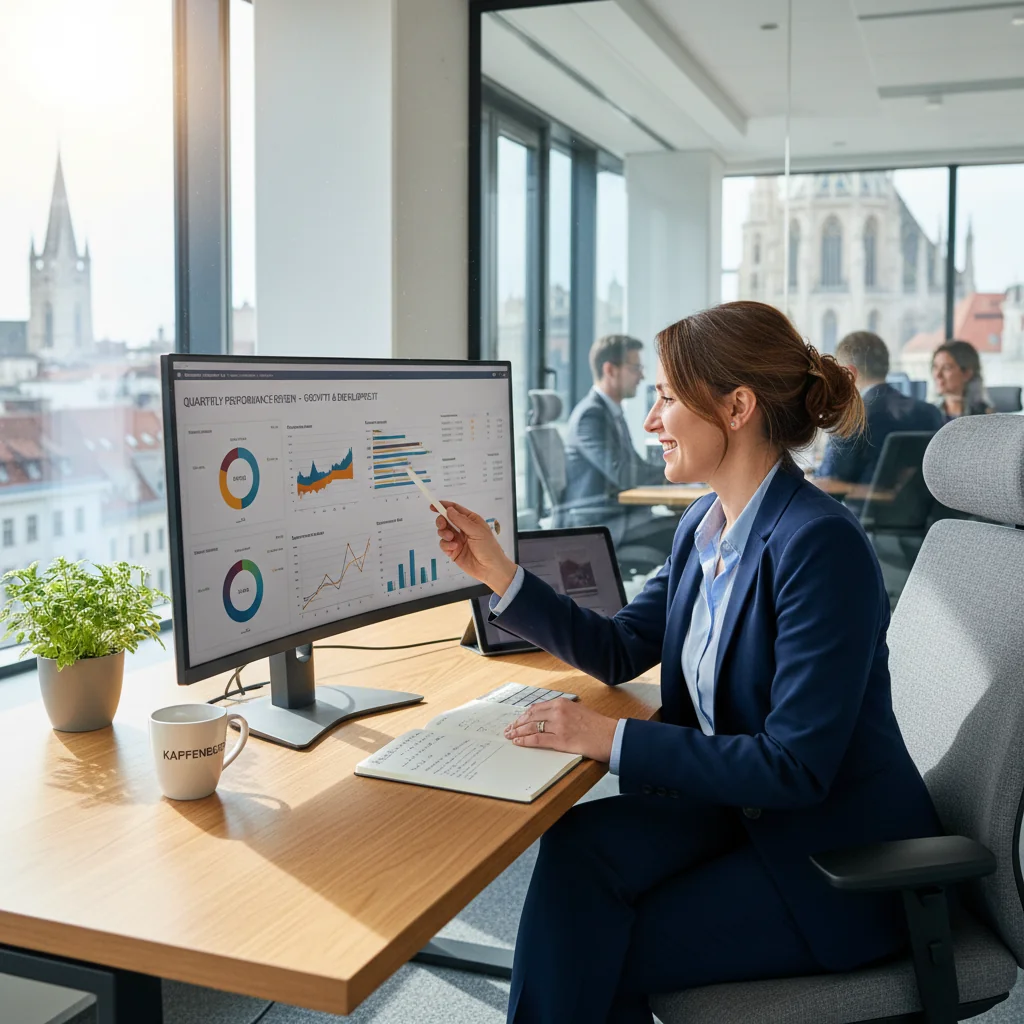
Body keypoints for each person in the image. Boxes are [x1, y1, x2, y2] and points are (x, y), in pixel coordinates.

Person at [434, 300, 940, 1024]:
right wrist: (499, 573)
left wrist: (607, 739)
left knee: (592, 945)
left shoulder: (818, 547)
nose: (651, 419)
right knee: (576, 851)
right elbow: (615, 648)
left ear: (736, 407)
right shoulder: (704, 526)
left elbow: (794, 767)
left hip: (830, 860)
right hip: (737, 813)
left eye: (667, 397)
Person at [562, 335, 675, 551]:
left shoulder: (611, 413)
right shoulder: (591, 415)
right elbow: (625, 474)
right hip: (603, 524)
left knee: (689, 522)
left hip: (623, 517)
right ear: (610, 370)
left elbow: (636, 467)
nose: (642, 376)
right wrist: (674, 474)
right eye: (635, 368)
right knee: (686, 529)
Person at [816, 330, 944, 485]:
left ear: (850, 373)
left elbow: (828, 481)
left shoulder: (852, 417)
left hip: (861, 508)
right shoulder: (930, 413)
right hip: (917, 508)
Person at [932, 339, 994, 419]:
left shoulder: (985, 416)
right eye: (935, 367)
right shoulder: (928, 414)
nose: (938, 375)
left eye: (946, 368)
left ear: (967, 373)